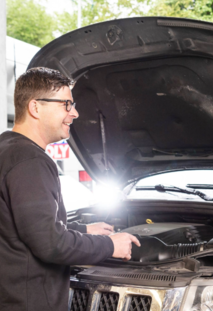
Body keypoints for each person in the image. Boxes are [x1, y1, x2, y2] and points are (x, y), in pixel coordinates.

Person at [0, 67, 141, 311]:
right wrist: (111, 245)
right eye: (66, 104)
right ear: (35, 108)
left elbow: (21, 227)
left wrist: (84, 229)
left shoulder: (6, 148)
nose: (74, 113)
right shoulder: (30, 161)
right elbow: (50, 244)